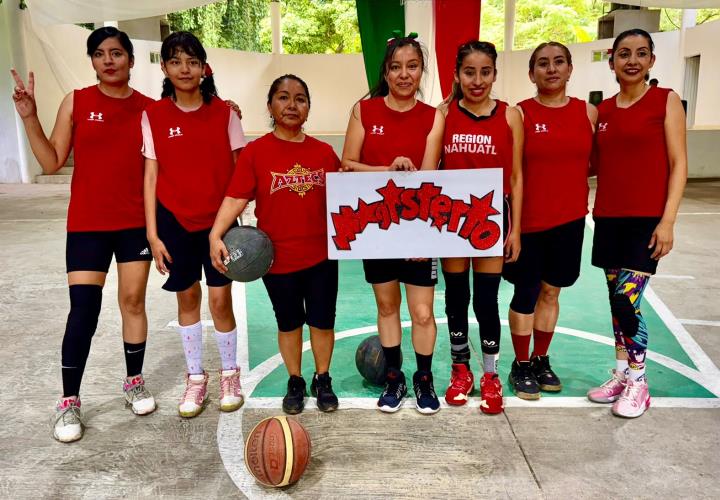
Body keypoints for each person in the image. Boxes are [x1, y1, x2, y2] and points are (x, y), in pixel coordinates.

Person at [11, 27, 156, 443]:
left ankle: (133, 383)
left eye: (116, 53)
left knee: (132, 302)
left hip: (133, 225)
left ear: (129, 59)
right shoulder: (76, 101)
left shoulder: (149, 110)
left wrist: (226, 108)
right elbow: (53, 160)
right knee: (84, 311)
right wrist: (29, 117)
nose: (108, 60)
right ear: (92, 61)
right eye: (99, 54)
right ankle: (69, 402)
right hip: (88, 225)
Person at [210, 74, 340, 415]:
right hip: (277, 260)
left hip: (322, 257)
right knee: (289, 323)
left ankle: (322, 378)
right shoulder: (256, 153)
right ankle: (295, 379)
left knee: (323, 322)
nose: (292, 105)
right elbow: (236, 198)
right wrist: (215, 233)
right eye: (283, 97)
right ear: (270, 106)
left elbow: (348, 200)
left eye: (300, 98)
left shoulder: (325, 153)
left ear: (309, 108)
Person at [142, 31, 247, 418]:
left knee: (220, 300)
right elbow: (150, 177)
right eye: (175, 61)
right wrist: (153, 234)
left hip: (218, 222)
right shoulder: (153, 116)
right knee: (187, 298)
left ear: (204, 68)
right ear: (165, 68)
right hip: (173, 221)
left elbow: (240, 173)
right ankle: (195, 378)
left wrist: (236, 220)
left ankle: (230, 375)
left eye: (192, 61)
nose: (184, 69)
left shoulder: (225, 113)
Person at [341, 33, 444, 414]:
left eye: (412, 66)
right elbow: (347, 164)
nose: (404, 74)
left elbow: (431, 177)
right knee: (387, 307)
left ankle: (424, 379)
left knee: (421, 312)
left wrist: (423, 237)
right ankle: (395, 378)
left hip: (418, 228)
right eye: (396, 67)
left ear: (421, 72)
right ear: (386, 71)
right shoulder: (363, 111)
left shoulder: (434, 116)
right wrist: (388, 169)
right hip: (376, 228)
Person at [587, 29, 687, 418]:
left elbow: (679, 165)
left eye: (640, 53)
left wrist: (668, 220)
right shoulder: (604, 111)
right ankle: (623, 372)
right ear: (611, 60)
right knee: (617, 304)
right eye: (624, 53)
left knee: (626, 300)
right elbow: (592, 163)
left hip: (646, 220)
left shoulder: (666, 101)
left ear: (651, 61)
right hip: (609, 217)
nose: (632, 60)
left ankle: (640, 382)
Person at [503, 42, 596, 400]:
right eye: (543, 64)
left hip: (570, 220)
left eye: (559, 62)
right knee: (525, 293)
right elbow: (511, 170)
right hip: (528, 222)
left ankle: (541, 358)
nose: (551, 69)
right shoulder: (520, 114)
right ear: (531, 73)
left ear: (571, 69)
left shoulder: (588, 113)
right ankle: (521, 364)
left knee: (551, 291)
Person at [438, 41, 523, 414]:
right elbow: (429, 170)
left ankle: (490, 375)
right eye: (469, 72)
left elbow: (517, 177)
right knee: (457, 298)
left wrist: (515, 229)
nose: (477, 80)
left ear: (494, 74)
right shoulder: (443, 113)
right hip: (452, 222)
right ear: (457, 75)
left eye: (485, 72)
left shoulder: (510, 115)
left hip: (491, 222)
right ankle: (461, 371)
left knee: (487, 301)